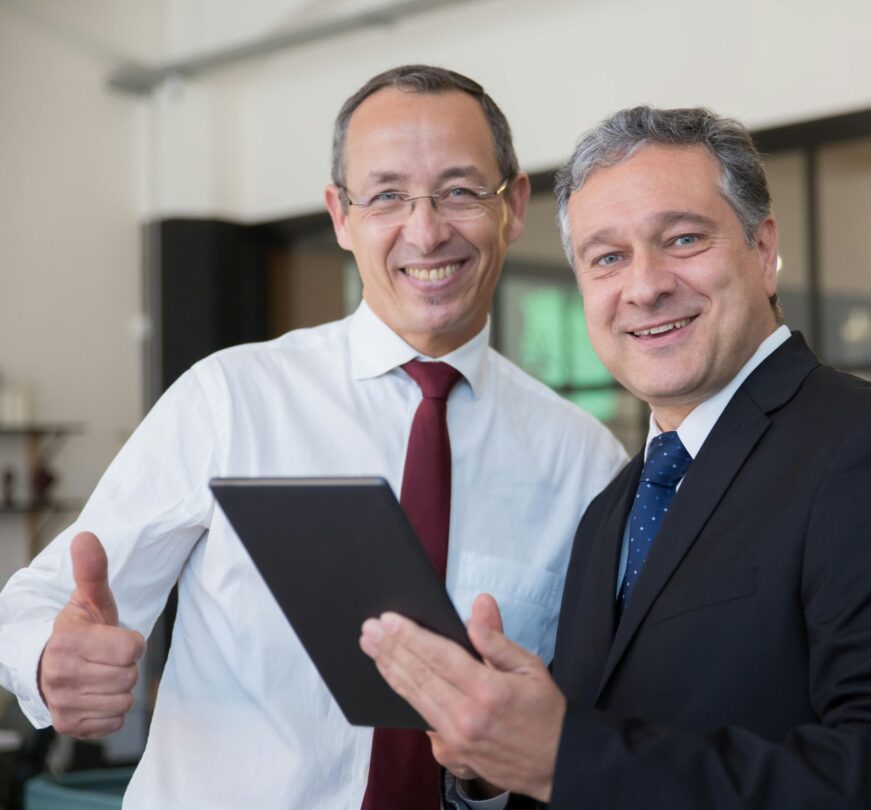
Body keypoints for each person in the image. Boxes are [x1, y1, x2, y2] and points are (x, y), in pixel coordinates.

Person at [0, 66, 627, 809]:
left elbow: (574, 733)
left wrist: (491, 777)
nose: (426, 231)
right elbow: (41, 599)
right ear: (340, 215)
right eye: (386, 195)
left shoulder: (586, 462)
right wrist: (50, 658)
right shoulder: (230, 399)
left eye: (459, 191)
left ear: (513, 206)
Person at [360, 105, 871, 809]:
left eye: (682, 239)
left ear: (763, 250)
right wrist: (494, 766)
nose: (645, 286)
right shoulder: (612, 506)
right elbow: (590, 761)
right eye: (607, 258)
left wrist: (560, 756)